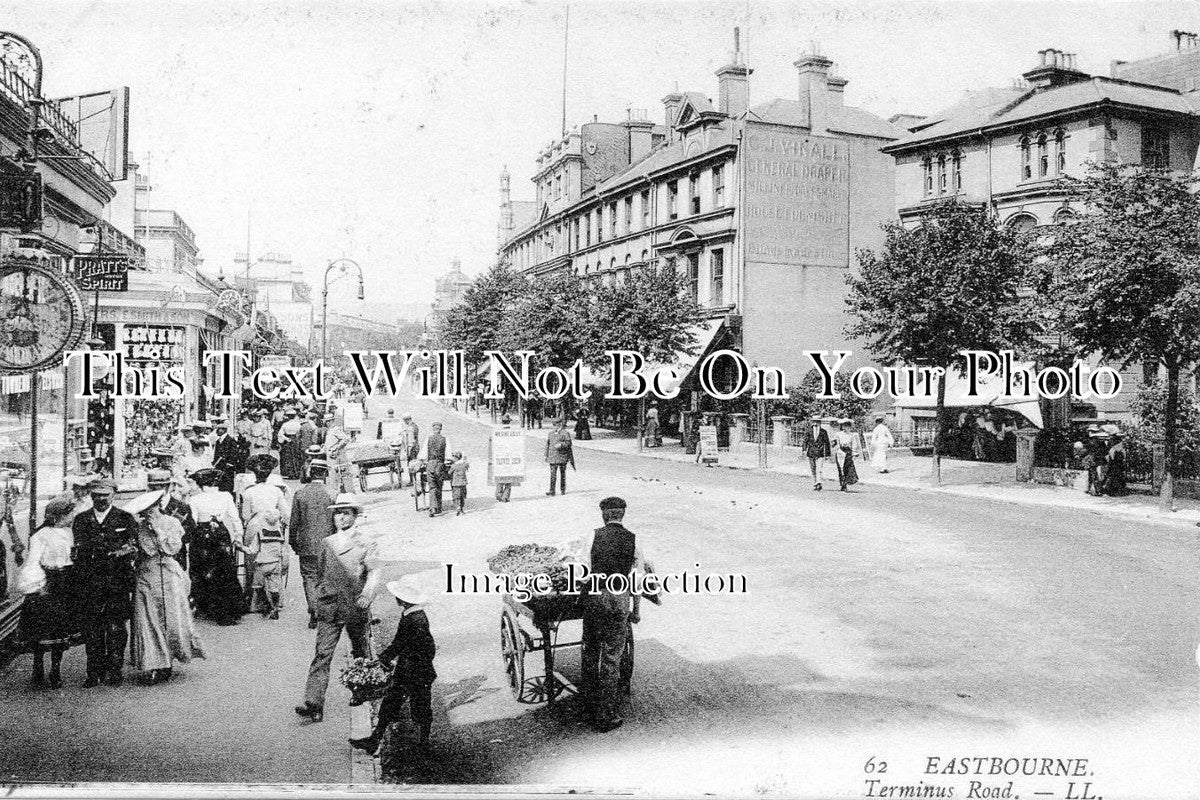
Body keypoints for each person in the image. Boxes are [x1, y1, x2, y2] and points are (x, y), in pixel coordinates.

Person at [296, 493, 381, 723]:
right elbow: (319, 574)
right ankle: (313, 703)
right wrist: (316, 599)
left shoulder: (366, 541)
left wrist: (367, 594)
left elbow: (374, 572)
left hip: (354, 604)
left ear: (355, 515)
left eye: (346, 512)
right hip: (330, 606)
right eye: (337, 513)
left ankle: (363, 692)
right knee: (322, 654)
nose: (340, 517)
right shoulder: (327, 543)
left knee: (361, 652)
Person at [578, 496, 653, 732]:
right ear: (622, 515)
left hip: (596, 599)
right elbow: (637, 581)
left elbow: (581, 572)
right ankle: (606, 714)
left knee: (590, 651)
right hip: (619, 602)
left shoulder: (592, 536)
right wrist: (636, 611)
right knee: (612, 657)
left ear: (604, 515)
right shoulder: (633, 540)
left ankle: (588, 707)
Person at [349, 577, 436, 755]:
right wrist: (384, 659)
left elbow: (424, 648)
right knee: (392, 704)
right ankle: (376, 739)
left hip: (416, 672)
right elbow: (399, 643)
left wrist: (393, 660)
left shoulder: (415, 619)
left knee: (418, 707)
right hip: (410, 670)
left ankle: (423, 744)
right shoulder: (412, 615)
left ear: (404, 599)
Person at [127, 490, 205, 685]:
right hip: (146, 573)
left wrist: (159, 532)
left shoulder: (172, 523)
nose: (148, 514)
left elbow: (172, 548)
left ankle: (169, 659)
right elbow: (142, 551)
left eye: (151, 510)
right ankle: (154, 663)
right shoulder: (140, 527)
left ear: (158, 506)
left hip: (168, 573)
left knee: (171, 618)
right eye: (145, 512)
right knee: (148, 618)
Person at [72, 478, 139, 687]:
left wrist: (125, 550)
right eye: (96, 495)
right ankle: (94, 671)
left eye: (105, 495)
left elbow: (134, 545)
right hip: (89, 582)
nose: (100, 499)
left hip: (117, 581)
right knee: (92, 628)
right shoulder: (81, 519)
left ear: (114, 495)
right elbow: (76, 549)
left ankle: (115, 669)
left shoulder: (125, 518)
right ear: (91, 495)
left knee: (116, 626)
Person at [17, 497, 79, 689]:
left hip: (64, 582)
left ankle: (55, 670)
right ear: (61, 515)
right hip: (47, 582)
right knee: (42, 629)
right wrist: (37, 585)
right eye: (70, 513)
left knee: (59, 630)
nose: (73, 517)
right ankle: (38, 666)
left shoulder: (69, 534)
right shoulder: (41, 535)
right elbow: (33, 561)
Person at [187, 468, 245, 625]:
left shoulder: (195, 500)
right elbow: (235, 518)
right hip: (220, 534)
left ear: (201, 484)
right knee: (223, 569)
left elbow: (192, 522)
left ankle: (205, 605)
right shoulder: (226, 496)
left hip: (202, 536)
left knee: (203, 569)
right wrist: (238, 535)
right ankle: (227, 608)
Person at [240, 453, 290, 613]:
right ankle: (276, 599)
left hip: (255, 527)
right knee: (274, 560)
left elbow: (245, 516)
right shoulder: (276, 491)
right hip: (272, 527)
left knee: (254, 563)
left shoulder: (248, 492)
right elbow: (286, 513)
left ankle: (255, 599)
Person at [290, 458, 336, 629]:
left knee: (309, 578)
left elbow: (294, 521)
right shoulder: (333, 493)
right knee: (324, 579)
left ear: (311, 473)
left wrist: (292, 542)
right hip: (327, 544)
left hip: (306, 545)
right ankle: (325, 612)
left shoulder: (300, 494)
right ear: (325, 473)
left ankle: (313, 612)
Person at [243, 508, 288, 620]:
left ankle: (261, 605)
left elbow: (252, 550)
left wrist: (241, 547)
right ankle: (275, 608)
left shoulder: (260, 533)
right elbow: (284, 552)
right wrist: (284, 565)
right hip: (276, 563)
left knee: (258, 586)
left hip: (262, 563)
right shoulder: (279, 534)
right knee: (274, 588)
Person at [212, 417, 249, 495]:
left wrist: (229, 463)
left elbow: (233, 454)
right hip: (219, 467)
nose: (217, 431)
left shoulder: (230, 441)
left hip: (227, 468)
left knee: (228, 486)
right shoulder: (218, 441)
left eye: (219, 429)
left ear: (223, 430)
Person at [422, 423, 449, 517]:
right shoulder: (445, 439)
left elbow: (423, 454)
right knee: (439, 486)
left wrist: (424, 460)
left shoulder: (428, 439)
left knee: (432, 487)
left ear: (433, 430)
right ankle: (439, 507)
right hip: (440, 465)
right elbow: (449, 455)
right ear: (440, 430)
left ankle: (433, 507)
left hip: (430, 465)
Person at [799, 414, 831, 491]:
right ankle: (815, 483)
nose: (816, 423)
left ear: (820, 422)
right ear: (812, 422)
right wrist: (804, 450)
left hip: (820, 453)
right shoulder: (809, 431)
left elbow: (827, 443)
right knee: (813, 469)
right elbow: (805, 441)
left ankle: (819, 482)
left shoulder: (823, 432)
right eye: (814, 421)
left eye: (817, 422)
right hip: (811, 453)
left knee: (819, 469)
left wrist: (827, 454)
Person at [545, 418, 574, 496]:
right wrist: (546, 455)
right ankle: (552, 491)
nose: (554, 427)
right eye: (553, 425)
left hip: (562, 457)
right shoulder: (550, 433)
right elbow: (547, 444)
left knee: (562, 474)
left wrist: (561, 445)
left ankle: (562, 489)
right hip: (552, 457)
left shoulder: (565, 433)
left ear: (559, 425)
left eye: (555, 425)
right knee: (552, 475)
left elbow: (569, 443)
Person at [324, 414, 353, 493]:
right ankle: (336, 491)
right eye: (326, 421)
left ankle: (337, 491)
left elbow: (346, 439)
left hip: (335, 456)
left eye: (329, 421)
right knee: (332, 474)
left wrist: (336, 447)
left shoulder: (335, 430)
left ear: (333, 421)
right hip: (330, 456)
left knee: (334, 474)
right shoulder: (330, 430)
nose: (327, 423)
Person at [833, 418, 860, 492]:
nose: (846, 428)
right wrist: (837, 447)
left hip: (848, 453)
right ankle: (842, 483)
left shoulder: (852, 435)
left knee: (847, 468)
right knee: (840, 468)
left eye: (848, 427)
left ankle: (845, 483)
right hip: (840, 452)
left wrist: (854, 453)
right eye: (845, 426)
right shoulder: (838, 434)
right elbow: (835, 443)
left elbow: (854, 445)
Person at [493, 414, 516, 503]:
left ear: (502, 422)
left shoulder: (497, 432)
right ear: (509, 422)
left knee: (500, 475)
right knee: (509, 477)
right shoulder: (514, 433)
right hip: (509, 457)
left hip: (499, 456)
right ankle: (505, 496)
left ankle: (498, 494)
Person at [278, 409, 304, 480]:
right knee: (296, 456)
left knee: (288, 457)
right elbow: (300, 433)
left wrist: (286, 439)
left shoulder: (285, 424)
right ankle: (297, 473)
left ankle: (290, 473)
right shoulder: (298, 424)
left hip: (288, 441)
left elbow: (280, 434)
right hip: (296, 440)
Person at [1103, 426, 1128, 496]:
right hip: (1119, 460)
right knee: (1119, 475)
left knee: (1112, 475)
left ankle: (1112, 491)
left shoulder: (1111, 440)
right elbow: (1123, 451)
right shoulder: (1120, 440)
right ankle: (1120, 491)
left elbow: (1109, 451)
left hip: (1113, 460)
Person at [448, 451, 469, 516]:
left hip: (456, 484)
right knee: (462, 496)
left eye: (454, 457)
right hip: (463, 483)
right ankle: (462, 509)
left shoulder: (453, 466)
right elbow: (467, 465)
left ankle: (458, 508)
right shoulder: (464, 465)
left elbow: (449, 473)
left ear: (456, 458)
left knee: (457, 496)